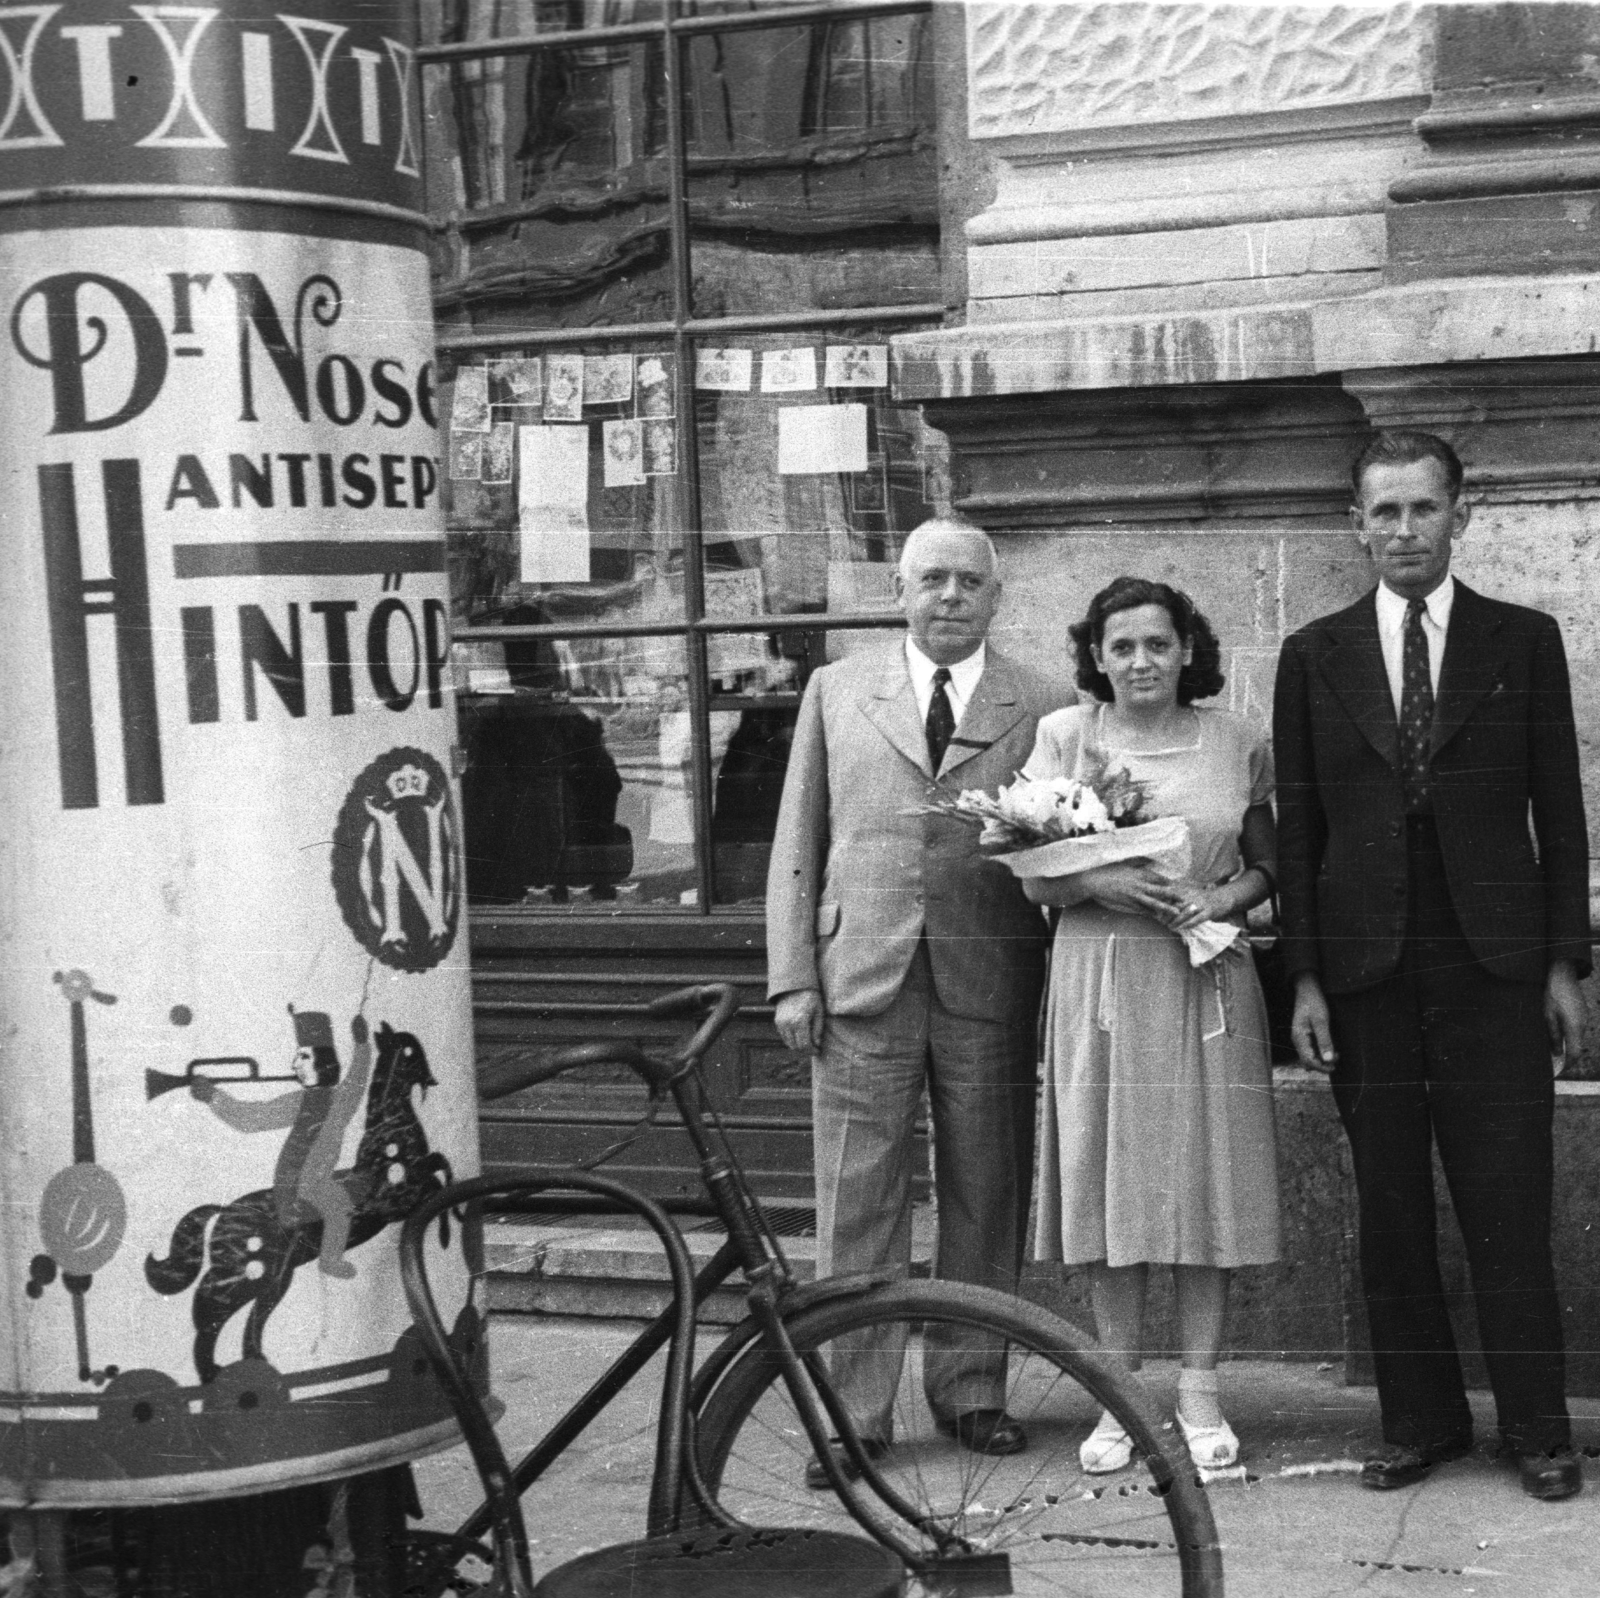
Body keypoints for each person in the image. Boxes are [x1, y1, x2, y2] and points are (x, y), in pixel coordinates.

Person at [1273, 429, 1590, 1501]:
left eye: (1422, 508)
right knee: (1391, 1205)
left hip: (1492, 965)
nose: (1404, 530)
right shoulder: (1314, 653)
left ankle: (1538, 1426)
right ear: (1355, 523)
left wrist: (1562, 966)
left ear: (1462, 513)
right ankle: (1420, 1421)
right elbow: (1301, 828)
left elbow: (1561, 812)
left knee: (1509, 1200)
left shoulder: (1522, 640)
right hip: (1364, 969)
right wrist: (1304, 979)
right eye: (1384, 511)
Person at [765, 516, 1056, 1484]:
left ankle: (972, 1389)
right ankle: (855, 1410)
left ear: (996, 596)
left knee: (986, 1188)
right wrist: (792, 976)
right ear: (899, 590)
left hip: (990, 979)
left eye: (969, 581)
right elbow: (798, 838)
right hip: (861, 980)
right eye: (931, 579)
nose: (950, 596)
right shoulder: (837, 689)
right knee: (858, 1197)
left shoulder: (1042, 702)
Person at [1020, 578, 1280, 1472]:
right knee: (1109, 1178)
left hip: (1205, 974)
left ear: (1187, 650)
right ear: (1096, 655)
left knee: (1207, 1178)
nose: (1141, 662)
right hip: (1100, 975)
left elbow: (1269, 866)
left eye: (1158, 645)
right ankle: (1119, 1394)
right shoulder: (1066, 735)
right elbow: (1030, 874)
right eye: (1122, 646)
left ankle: (1200, 1391)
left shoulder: (1236, 740)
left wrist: (1220, 898)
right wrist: (1108, 881)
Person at [192, 1009, 374, 1279]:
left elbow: (356, 1080)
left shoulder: (337, 1100)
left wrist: (361, 1045)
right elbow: (252, 1118)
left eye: (303, 1056)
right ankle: (330, 1260)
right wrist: (214, 1097)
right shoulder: (308, 1102)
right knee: (340, 1207)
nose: (294, 1064)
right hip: (302, 1183)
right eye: (297, 1055)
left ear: (323, 1061)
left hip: (309, 1178)